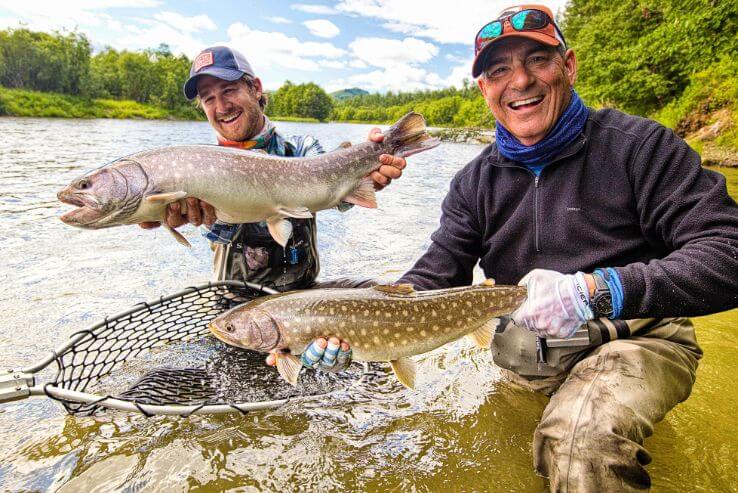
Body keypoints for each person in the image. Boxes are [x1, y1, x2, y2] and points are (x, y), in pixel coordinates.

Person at [319, 4, 738, 490]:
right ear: (484, 90)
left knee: (581, 441)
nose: (519, 81)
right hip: (529, 358)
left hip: (637, 339)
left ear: (569, 65)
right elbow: (435, 278)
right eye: (498, 70)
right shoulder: (473, 182)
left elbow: (728, 253)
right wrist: (351, 321)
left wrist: (594, 289)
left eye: (536, 60)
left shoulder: (641, 148)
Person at [140, 45, 407, 371]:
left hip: (305, 301)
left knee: (388, 299)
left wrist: (369, 165)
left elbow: (337, 192)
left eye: (229, 90)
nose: (221, 106)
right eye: (208, 99)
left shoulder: (302, 149)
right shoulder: (199, 170)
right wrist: (161, 215)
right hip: (237, 312)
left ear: (255, 88)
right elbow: (151, 216)